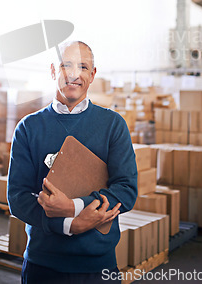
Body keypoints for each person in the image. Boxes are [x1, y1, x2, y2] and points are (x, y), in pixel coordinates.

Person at [7, 40, 138, 283]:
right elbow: (18, 198)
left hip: (97, 266)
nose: (74, 75)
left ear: (93, 74)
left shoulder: (112, 125)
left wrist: (72, 207)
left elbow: (126, 191)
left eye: (83, 67)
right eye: (66, 65)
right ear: (53, 70)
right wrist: (69, 225)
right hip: (42, 264)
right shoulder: (28, 128)